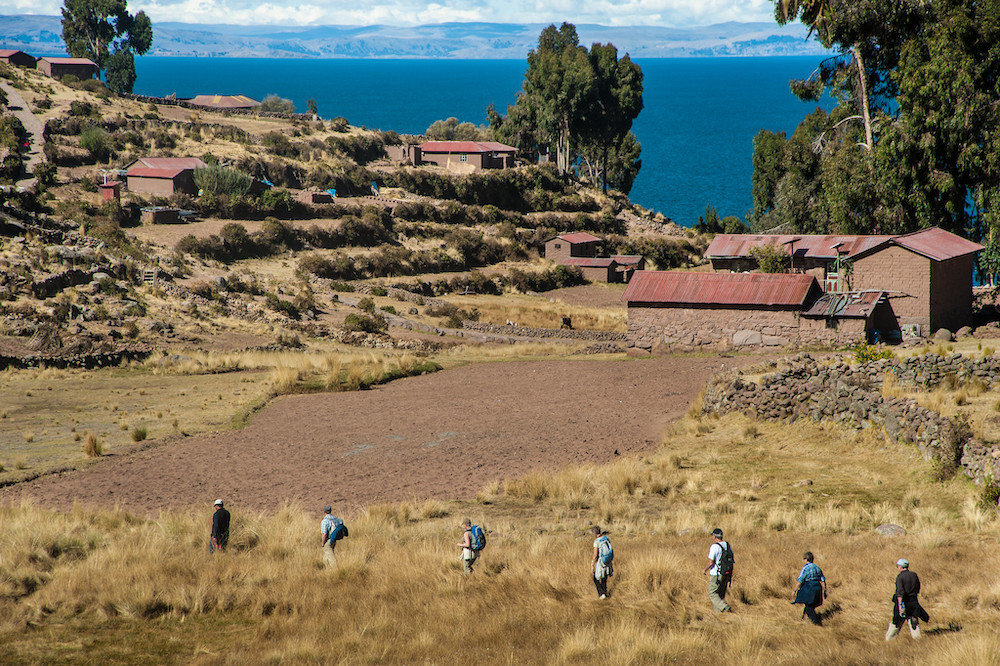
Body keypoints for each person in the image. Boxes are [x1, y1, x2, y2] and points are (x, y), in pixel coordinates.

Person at [886, 558, 928, 640]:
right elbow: (918, 588)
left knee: (896, 623)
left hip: (904, 602)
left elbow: (900, 593)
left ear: (900, 567)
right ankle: (918, 640)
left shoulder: (900, 577)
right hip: (913, 601)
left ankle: (889, 640)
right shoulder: (914, 575)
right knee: (914, 621)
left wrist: (901, 606)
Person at [792, 551, 827, 625]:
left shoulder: (805, 568)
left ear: (805, 559)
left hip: (809, 588)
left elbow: (800, 580)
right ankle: (803, 618)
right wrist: (825, 590)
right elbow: (823, 580)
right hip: (818, 587)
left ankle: (817, 623)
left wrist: (794, 590)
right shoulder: (817, 568)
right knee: (811, 605)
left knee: (809, 608)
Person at [702, 528, 733, 612]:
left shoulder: (714, 547)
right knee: (720, 595)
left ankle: (725, 607)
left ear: (714, 536)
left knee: (712, 594)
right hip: (726, 573)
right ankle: (719, 616)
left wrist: (704, 570)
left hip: (716, 574)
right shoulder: (727, 545)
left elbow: (711, 562)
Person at [590, 525, 613, 599]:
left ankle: (601, 594)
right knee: (604, 578)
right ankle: (605, 593)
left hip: (601, 562)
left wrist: (592, 564)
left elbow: (595, 554)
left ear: (594, 533)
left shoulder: (597, 541)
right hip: (608, 561)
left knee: (595, 578)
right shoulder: (606, 538)